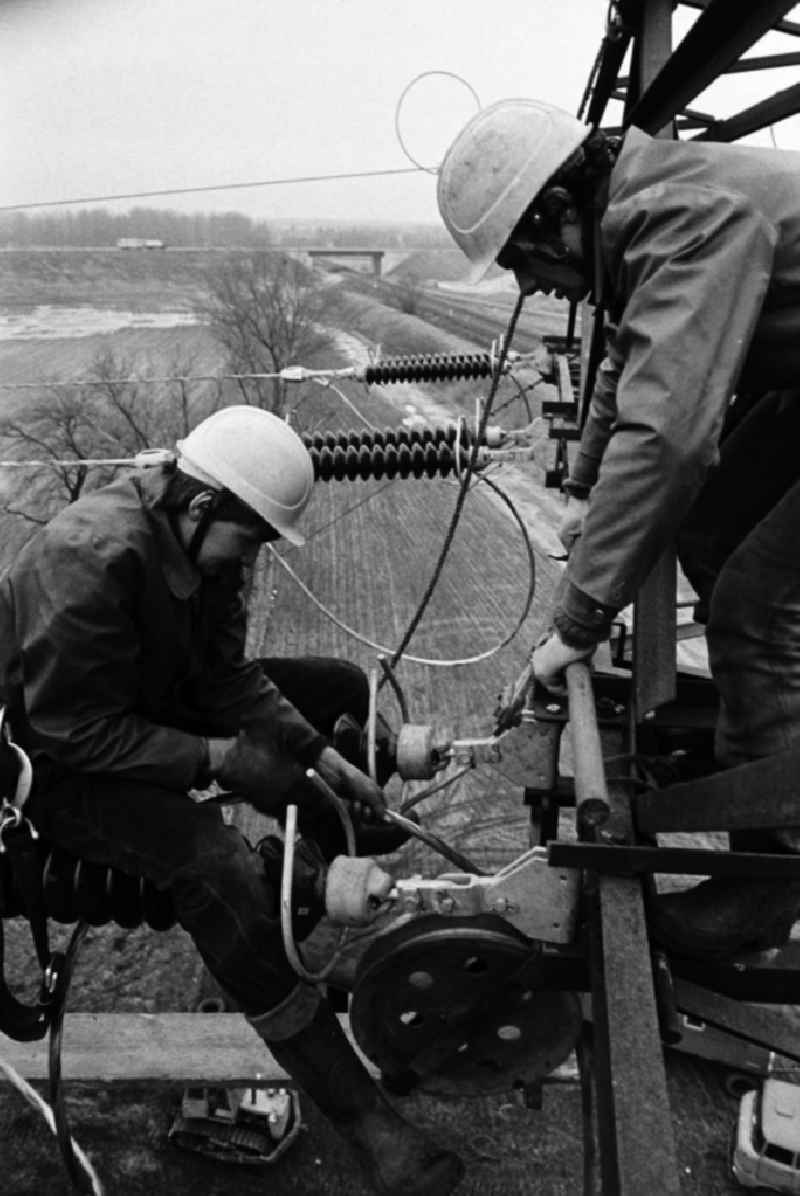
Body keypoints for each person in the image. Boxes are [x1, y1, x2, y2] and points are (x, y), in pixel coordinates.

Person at [0, 404, 464, 1196]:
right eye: (248, 541)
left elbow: (222, 678)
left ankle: (314, 900)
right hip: (54, 766)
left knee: (332, 690)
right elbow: (72, 731)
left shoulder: (202, 541)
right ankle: (366, 1121)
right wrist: (220, 759)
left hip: (140, 702)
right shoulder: (87, 560)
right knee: (212, 865)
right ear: (205, 505)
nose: (249, 561)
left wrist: (319, 754)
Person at [437, 98, 800, 960]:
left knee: (754, 602)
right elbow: (625, 359)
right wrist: (584, 483)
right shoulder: (645, 207)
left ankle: (774, 878)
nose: (530, 286)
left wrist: (577, 622)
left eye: (525, 261)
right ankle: (766, 728)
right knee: (710, 532)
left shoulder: (685, 219)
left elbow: (672, 436)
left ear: (561, 212)